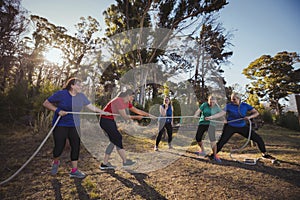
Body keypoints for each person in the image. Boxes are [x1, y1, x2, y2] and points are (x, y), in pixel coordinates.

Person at [43, 77, 107, 178]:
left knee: (76, 146)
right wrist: (57, 110)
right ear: (72, 85)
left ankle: (74, 170)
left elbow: (91, 106)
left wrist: (103, 112)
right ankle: (56, 161)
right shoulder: (62, 94)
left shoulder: (81, 96)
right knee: (59, 147)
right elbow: (46, 103)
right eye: (78, 85)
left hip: (75, 125)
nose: (81, 87)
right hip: (60, 124)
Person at [205, 92, 274, 160]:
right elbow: (220, 114)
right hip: (230, 126)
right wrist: (211, 117)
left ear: (239, 99)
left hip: (242, 126)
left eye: (234, 99)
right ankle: (213, 155)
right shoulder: (229, 105)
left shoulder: (245, 105)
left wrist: (249, 117)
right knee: (222, 141)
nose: (232, 101)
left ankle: (264, 154)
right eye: (231, 99)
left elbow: (256, 113)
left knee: (258, 138)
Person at [99, 89, 155, 170]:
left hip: (110, 120)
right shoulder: (119, 101)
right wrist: (137, 117)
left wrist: (149, 115)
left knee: (114, 140)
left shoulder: (127, 103)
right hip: (105, 120)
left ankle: (105, 163)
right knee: (118, 138)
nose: (133, 98)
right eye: (132, 97)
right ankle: (125, 161)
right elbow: (124, 116)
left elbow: (137, 111)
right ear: (128, 95)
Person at [193, 95, 222, 162]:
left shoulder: (217, 107)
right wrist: (196, 114)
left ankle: (215, 155)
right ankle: (202, 151)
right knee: (198, 137)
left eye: (213, 102)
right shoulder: (204, 105)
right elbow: (199, 110)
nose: (211, 104)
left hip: (211, 124)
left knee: (212, 140)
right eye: (210, 102)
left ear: (215, 102)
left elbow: (221, 114)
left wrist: (224, 120)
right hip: (202, 122)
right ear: (208, 101)